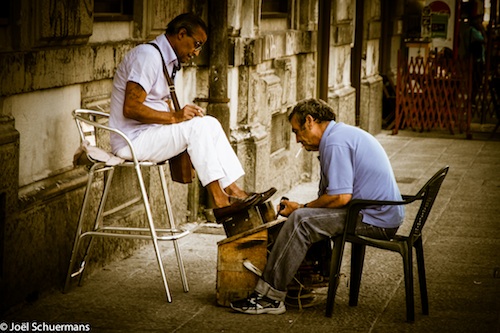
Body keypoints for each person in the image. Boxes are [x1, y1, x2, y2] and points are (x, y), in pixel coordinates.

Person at [230, 98, 405, 315]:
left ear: (310, 121)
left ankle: (270, 297)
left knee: (301, 220)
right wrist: (304, 207)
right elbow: (334, 197)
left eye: (296, 131)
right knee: (306, 215)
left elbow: (340, 197)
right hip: (376, 212)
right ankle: (302, 283)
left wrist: (300, 207)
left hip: (375, 218)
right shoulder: (339, 135)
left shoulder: (335, 142)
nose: (296, 140)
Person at [109, 13, 273, 215]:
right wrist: (175, 117)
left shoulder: (166, 60)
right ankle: (221, 201)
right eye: (196, 44)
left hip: (150, 134)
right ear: (181, 34)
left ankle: (234, 190)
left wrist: (180, 115)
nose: (196, 53)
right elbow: (131, 108)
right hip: (131, 141)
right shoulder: (147, 57)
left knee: (209, 123)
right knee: (197, 128)